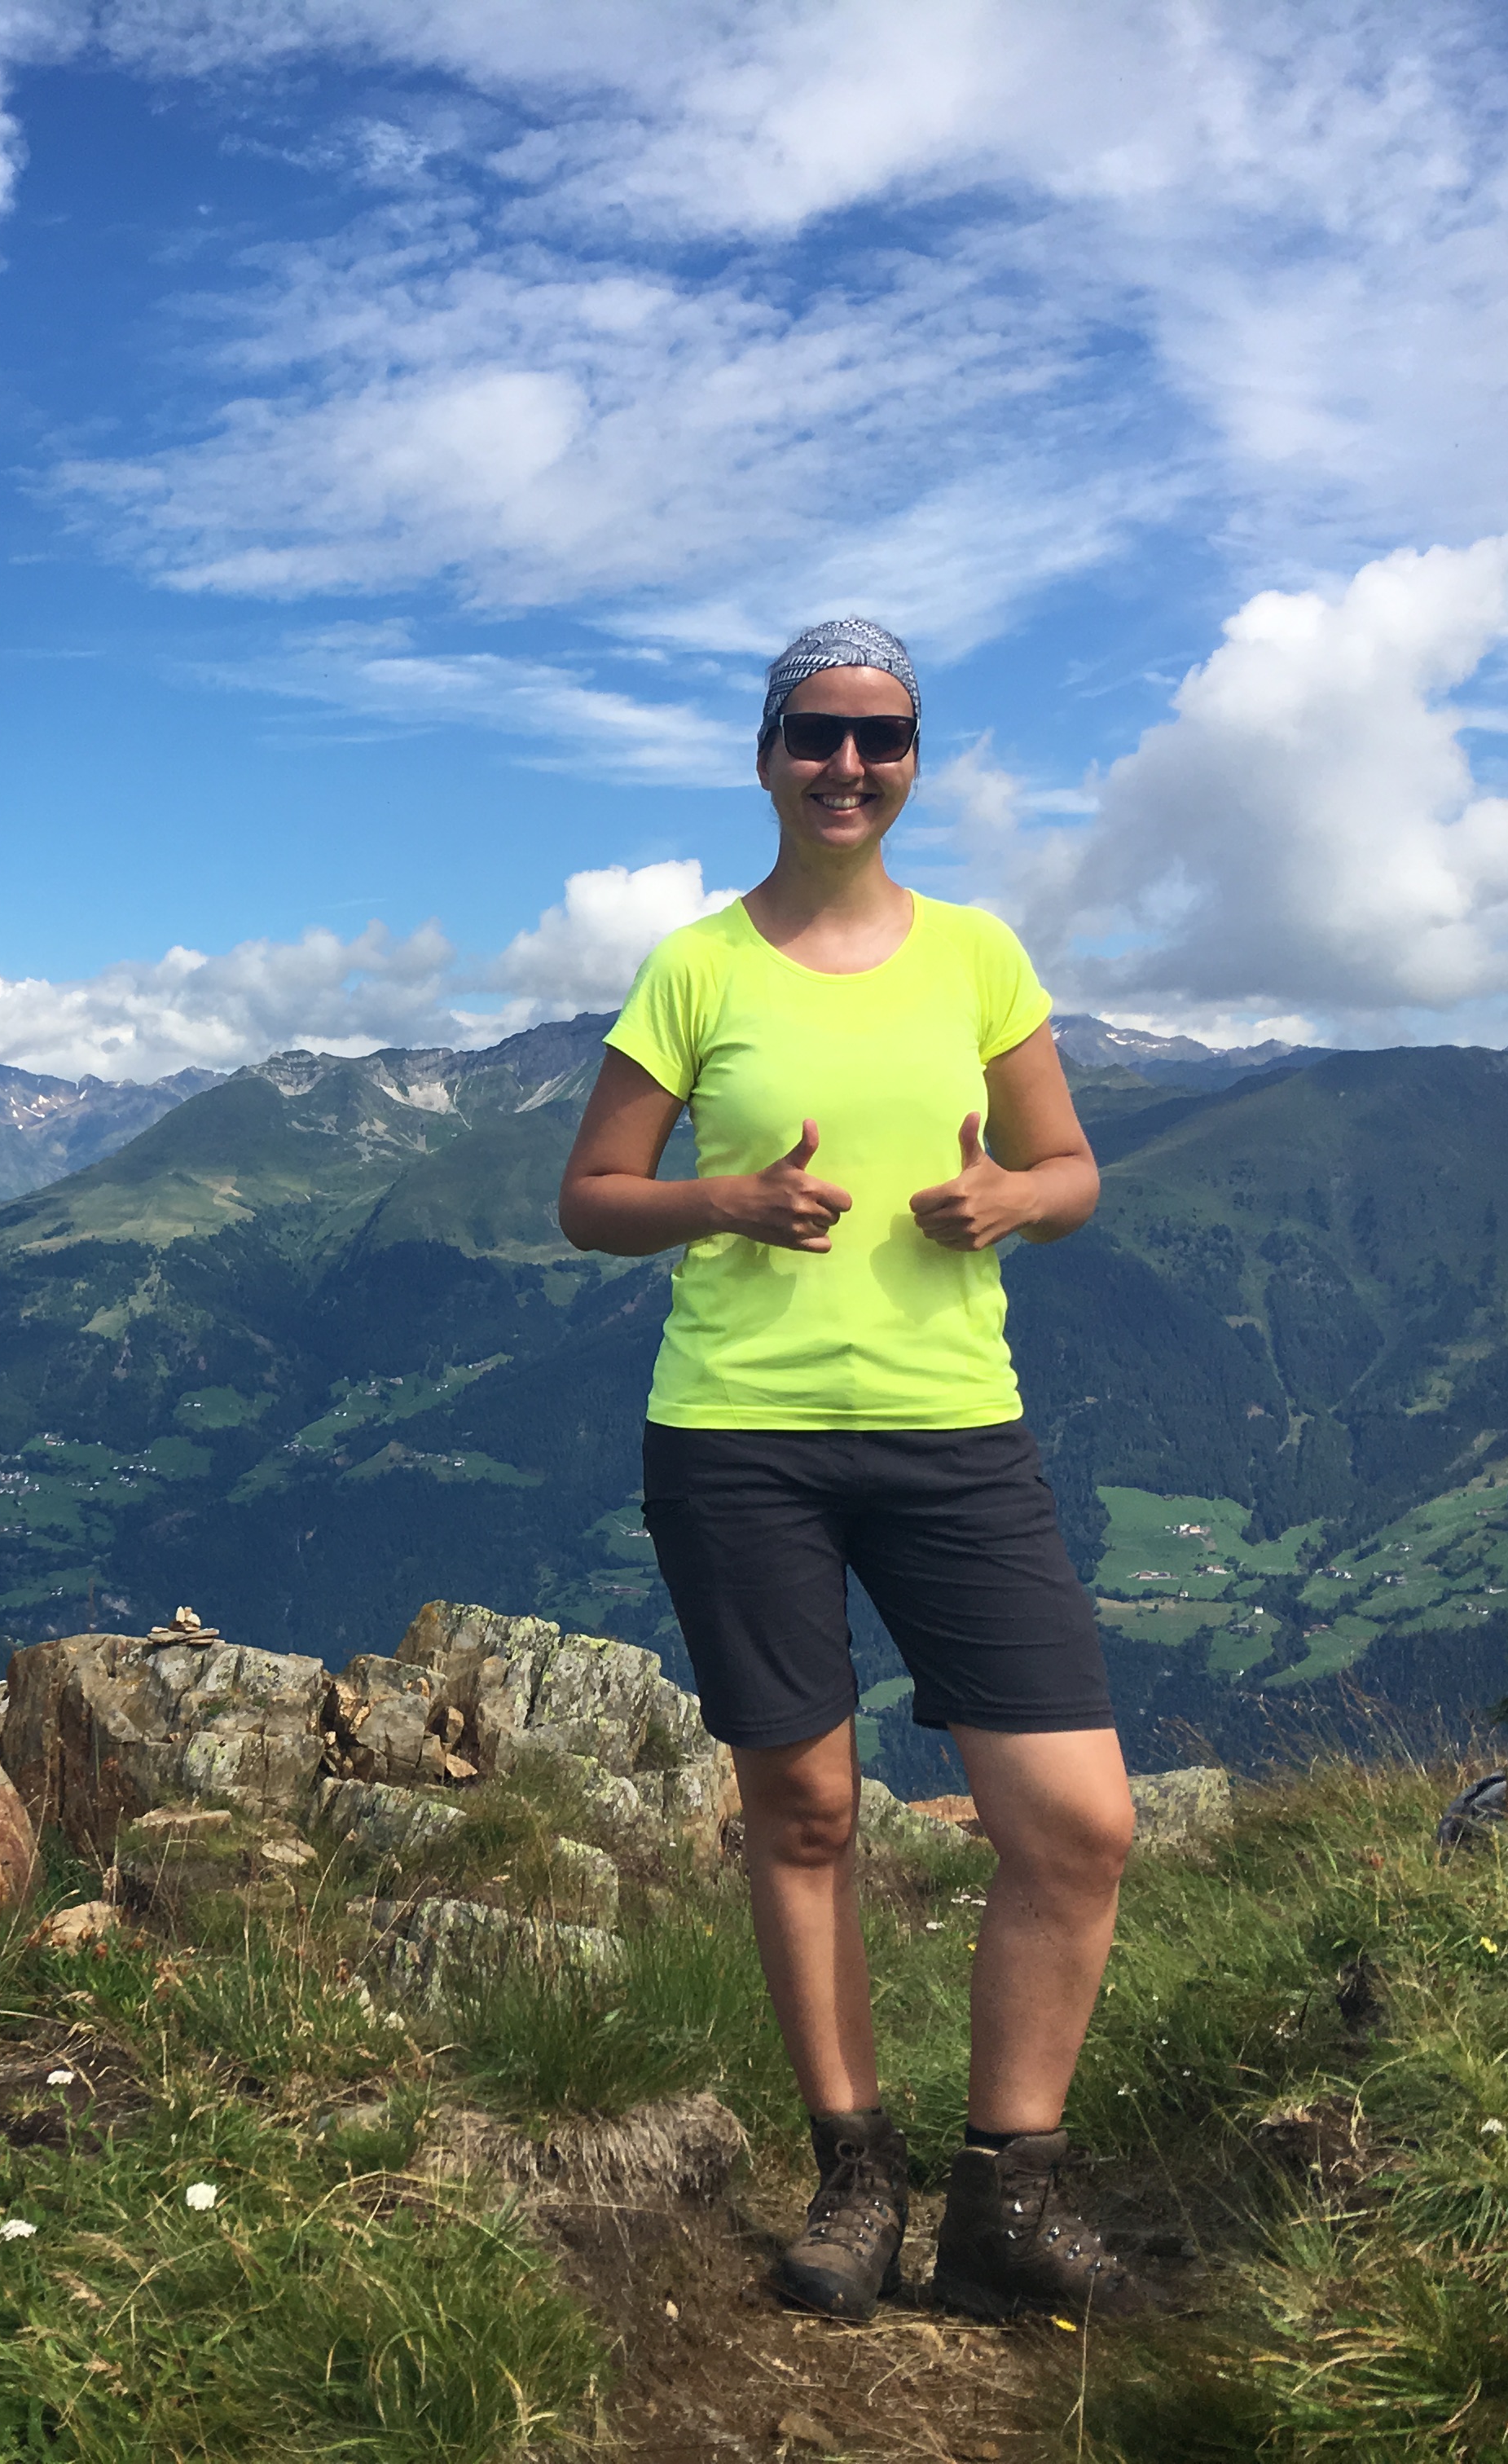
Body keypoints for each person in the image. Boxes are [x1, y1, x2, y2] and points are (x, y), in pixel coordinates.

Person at [556, 618, 1143, 2325]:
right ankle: (854, 2173)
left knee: (1080, 1822)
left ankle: (1005, 2195)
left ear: (913, 764)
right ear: (765, 757)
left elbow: (1072, 1167)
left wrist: (1015, 1198)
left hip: (959, 1435)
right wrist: (722, 1201)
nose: (847, 764)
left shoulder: (977, 956)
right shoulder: (695, 969)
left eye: (880, 738)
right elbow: (591, 1199)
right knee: (805, 1811)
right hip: (738, 1439)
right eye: (815, 733)